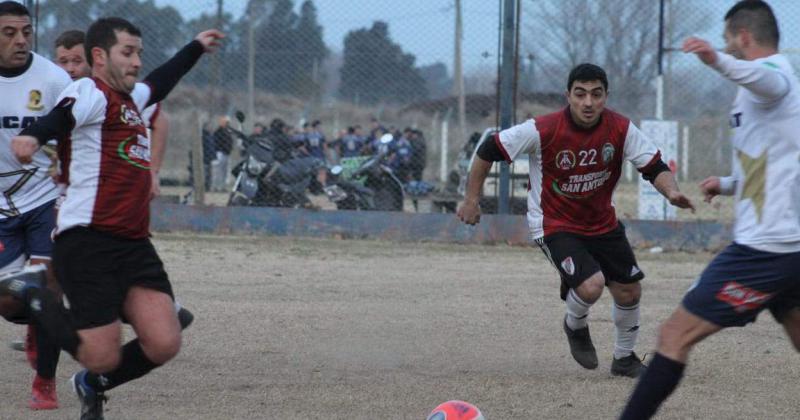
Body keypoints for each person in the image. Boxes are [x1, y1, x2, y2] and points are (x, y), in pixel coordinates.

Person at [0, 17, 223, 419]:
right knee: (100, 355)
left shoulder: (134, 98)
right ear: (100, 57)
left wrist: (195, 47)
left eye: (138, 52)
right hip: (88, 241)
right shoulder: (91, 91)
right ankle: (36, 294)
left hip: (134, 244)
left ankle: (90, 385)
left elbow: (161, 80)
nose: (137, 61)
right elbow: (62, 117)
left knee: (165, 341)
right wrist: (35, 136)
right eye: (128, 52)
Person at [620, 2, 800, 418]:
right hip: (788, 246)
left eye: (727, 40)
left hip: (764, 251)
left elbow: (765, 80)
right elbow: (776, 167)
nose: (725, 46)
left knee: (673, 336)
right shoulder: (766, 91)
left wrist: (713, 59)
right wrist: (729, 183)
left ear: (743, 37)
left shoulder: (773, 76)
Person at [457, 63, 694, 378]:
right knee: (592, 286)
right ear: (568, 95)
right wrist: (471, 199)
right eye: (580, 94)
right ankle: (575, 324)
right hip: (555, 223)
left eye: (596, 95)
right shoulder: (543, 129)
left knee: (629, 291)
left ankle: (624, 359)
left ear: (605, 96)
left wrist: (672, 192)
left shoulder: (620, 128)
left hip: (602, 223)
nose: (588, 102)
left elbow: (653, 165)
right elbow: (488, 149)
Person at [0, 2, 72, 410]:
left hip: (44, 198)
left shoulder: (52, 78)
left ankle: (45, 381)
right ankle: (32, 322)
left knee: (47, 288)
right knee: (11, 301)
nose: (21, 40)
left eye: (26, 31)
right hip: (1, 208)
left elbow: (76, 130)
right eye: (9, 32)